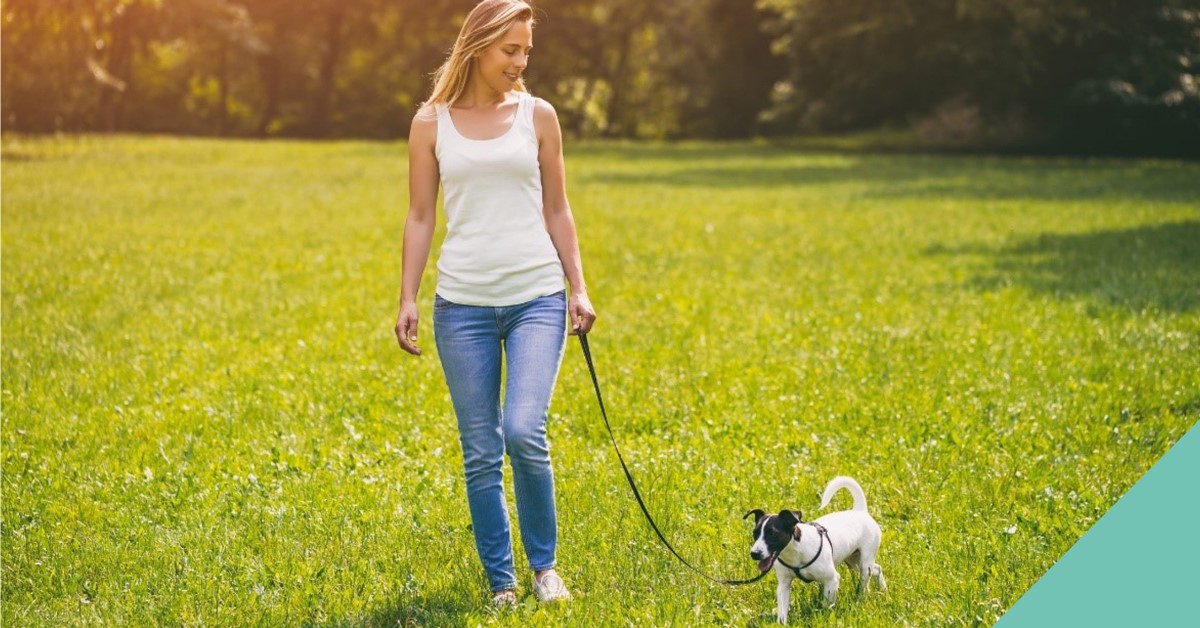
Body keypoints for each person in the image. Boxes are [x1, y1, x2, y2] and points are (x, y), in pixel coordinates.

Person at [394, 0, 596, 608]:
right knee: (481, 449)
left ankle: (545, 568)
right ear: (478, 45)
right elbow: (421, 214)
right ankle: (502, 583)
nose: (521, 61)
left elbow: (558, 208)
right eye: (511, 49)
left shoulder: (539, 116)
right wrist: (407, 295)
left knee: (522, 430)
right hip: (462, 306)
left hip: (536, 294)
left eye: (526, 50)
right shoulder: (430, 123)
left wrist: (578, 285)